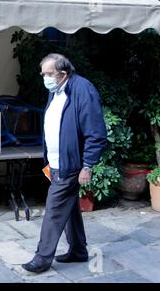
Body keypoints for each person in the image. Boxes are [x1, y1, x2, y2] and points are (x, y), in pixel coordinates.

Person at [22, 53, 107, 273]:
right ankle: (78, 250)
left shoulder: (83, 90)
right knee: (69, 208)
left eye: (49, 74)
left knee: (54, 209)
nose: (45, 78)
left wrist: (87, 165)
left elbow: (95, 133)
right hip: (55, 162)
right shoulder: (55, 90)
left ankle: (42, 258)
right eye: (43, 74)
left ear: (63, 73)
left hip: (71, 164)